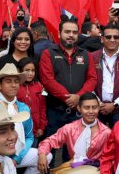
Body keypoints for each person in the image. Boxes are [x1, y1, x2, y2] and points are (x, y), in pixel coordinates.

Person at [39, 20, 97, 163]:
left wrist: (79, 97)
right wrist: (67, 98)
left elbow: (92, 79)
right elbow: (47, 80)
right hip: (54, 109)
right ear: (59, 33)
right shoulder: (48, 53)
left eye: (74, 32)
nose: (71, 35)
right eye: (67, 32)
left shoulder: (86, 55)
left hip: (77, 111)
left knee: (74, 150)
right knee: (50, 148)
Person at [0, 63, 49, 174]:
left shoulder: (23, 107)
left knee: (47, 156)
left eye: (16, 81)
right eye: (8, 81)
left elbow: (29, 137)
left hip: (18, 153)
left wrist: (17, 158)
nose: (13, 85)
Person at [38, 92, 111, 174]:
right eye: (86, 108)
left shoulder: (106, 132)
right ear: (79, 108)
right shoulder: (70, 128)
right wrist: (42, 154)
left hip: (95, 170)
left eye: (94, 107)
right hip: (73, 167)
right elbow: (49, 141)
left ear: (99, 108)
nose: (91, 111)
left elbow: (113, 155)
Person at [92, 24, 119, 128]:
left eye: (116, 37)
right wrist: (98, 102)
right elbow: (88, 82)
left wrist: (115, 104)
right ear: (102, 39)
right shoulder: (92, 57)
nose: (112, 40)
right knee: (96, 141)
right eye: (108, 37)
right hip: (96, 107)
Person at [17, 57, 47, 146]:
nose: (30, 73)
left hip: (35, 130)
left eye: (33, 70)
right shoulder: (15, 87)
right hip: (20, 130)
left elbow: (43, 107)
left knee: (32, 154)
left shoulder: (39, 86)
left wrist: (41, 127)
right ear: (19, 71)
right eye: (27, 70)